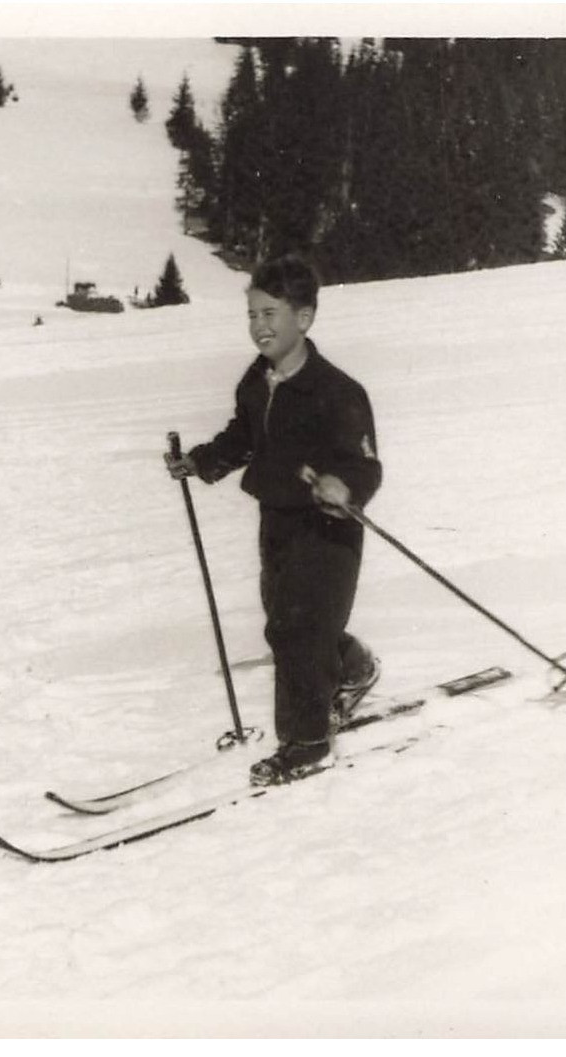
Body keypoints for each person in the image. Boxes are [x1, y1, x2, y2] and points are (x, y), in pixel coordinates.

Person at [165, 254, 382, 786]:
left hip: (328, 529)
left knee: (299, 629)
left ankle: (307, 743)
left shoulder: (338, 392)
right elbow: (244, 437)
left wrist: (344, 487)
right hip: (278, 522)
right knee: (285, 622)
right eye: (252, 315)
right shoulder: (257, 381)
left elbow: (363, 463)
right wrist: (201, 461)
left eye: (270, 315)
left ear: (303, 319)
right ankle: (353, 669)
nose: (259, 327)